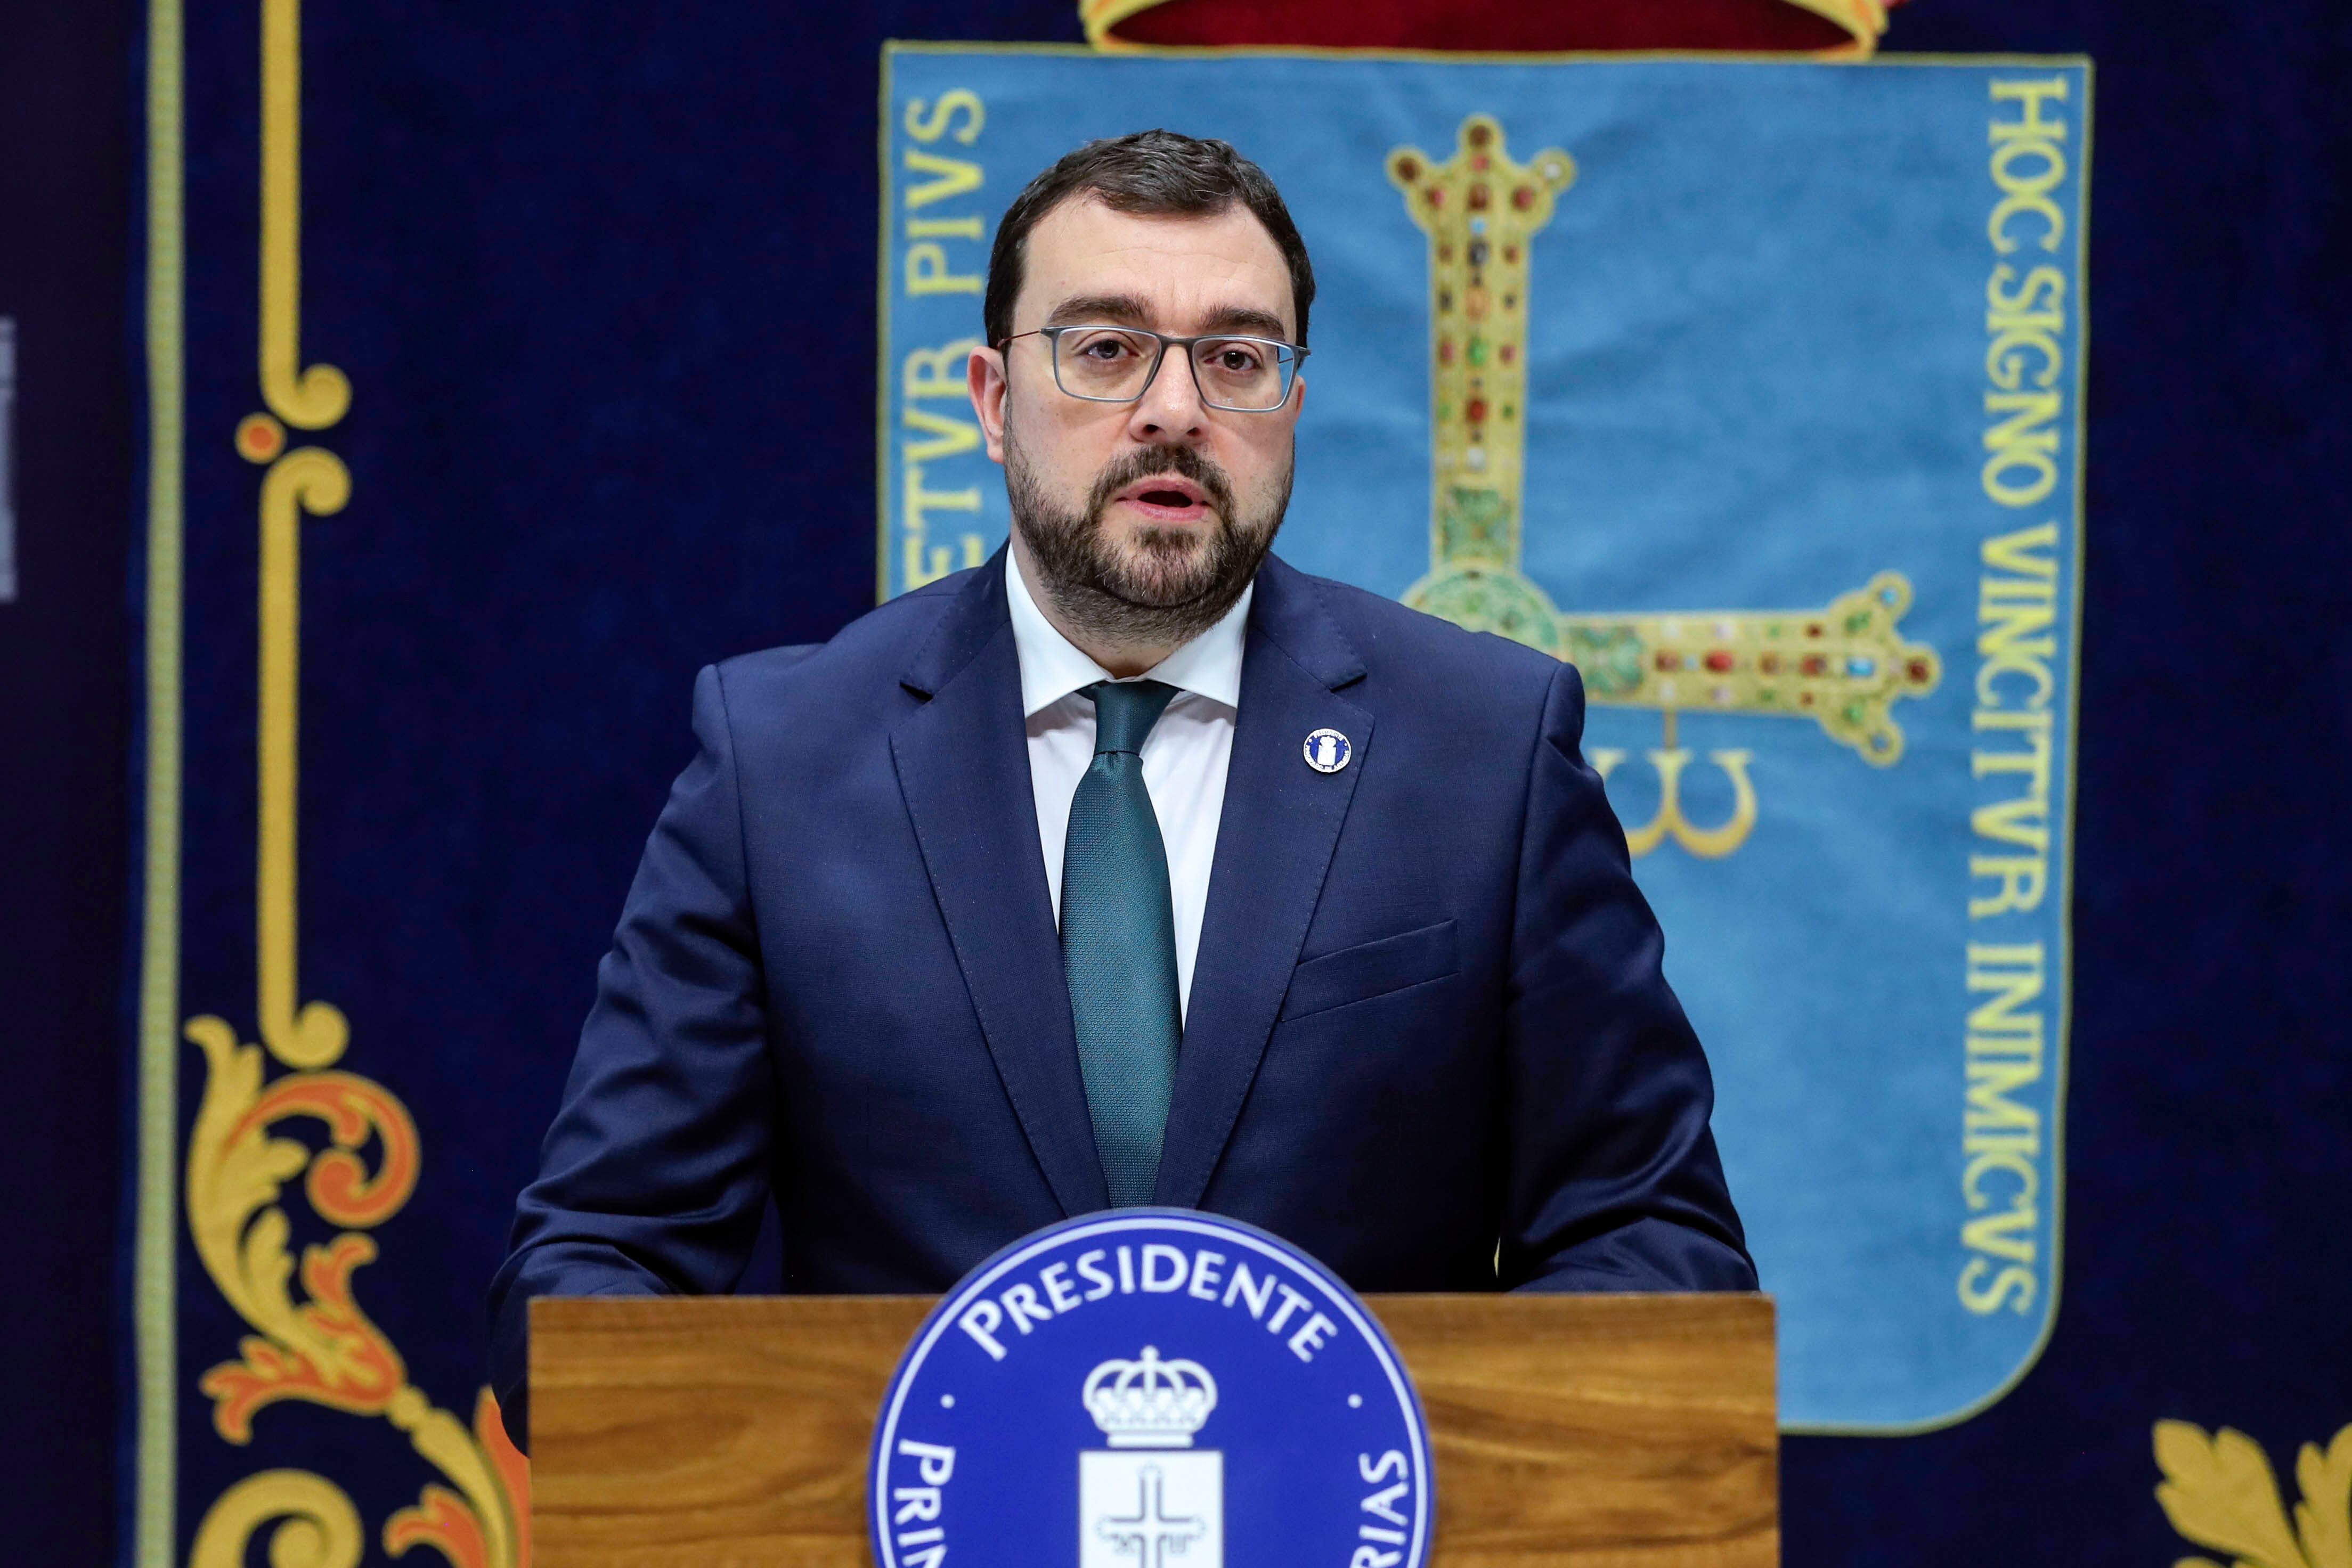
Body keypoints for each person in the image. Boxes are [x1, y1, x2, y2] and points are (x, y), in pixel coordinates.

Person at [488, 129, 1754, 1447]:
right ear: (990, 397)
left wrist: (1393, 1455)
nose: (1173, 407)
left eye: (1237, 358)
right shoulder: (785, 760)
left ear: (1293, 412)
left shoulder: (1485, 749)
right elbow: (593, 1270)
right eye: (1104, 348)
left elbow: (1656, 1243)